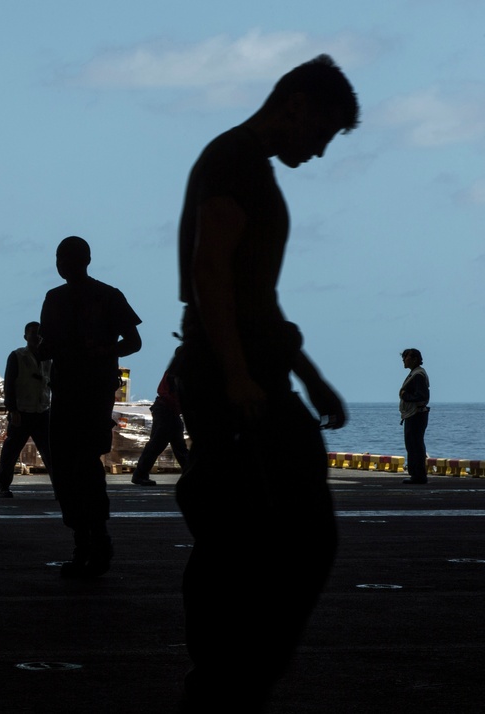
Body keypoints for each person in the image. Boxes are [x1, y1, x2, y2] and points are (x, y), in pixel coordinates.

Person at [172, 55, 359, 711]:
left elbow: (256, 297)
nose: (320, 149)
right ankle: (227, 680)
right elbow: (210, 273)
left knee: (268, 531)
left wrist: (311, 379)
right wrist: (235, 376)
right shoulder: (233, 164)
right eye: (324, 133)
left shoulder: (245, 167)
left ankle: (234, 677)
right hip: (236, 377)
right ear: (298, 105)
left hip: (254, 369)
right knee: (260, 534)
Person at [39, 236, 141, 578]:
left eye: (62, 258)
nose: (60, 264)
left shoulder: (61, 298)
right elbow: (133, 342)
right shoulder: (105, 296)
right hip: (84, 395)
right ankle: (91, 540)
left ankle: (90, 541)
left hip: (79, 396)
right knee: (79, 468)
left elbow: (133, 342)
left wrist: (96, 352)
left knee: (72, 468)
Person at [0, 321, 52, 498]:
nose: (36, 336)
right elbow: (9, 384)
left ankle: (61, 487)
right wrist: (12, 409)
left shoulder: (49, 358)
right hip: (22, 411)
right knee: (11, 452)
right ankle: (2, 485)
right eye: (32, 333)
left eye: (39, 332)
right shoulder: (17, 356)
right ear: (25, 337)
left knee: (50, 453)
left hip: (42, 411)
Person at [130, 366, 188, 486]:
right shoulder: (178, 373)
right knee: (157, 444)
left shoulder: (178, 371)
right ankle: (140, 474)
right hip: (166, 411)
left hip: (169, 411)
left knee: (179, 446)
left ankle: (190, 474)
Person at [399, 348, 430, 485]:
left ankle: (418, 475)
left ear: (414, 359)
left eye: (406, 357)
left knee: (414, 444)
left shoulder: (418, 375)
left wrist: (405, 396)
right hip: (414, 414)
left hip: (416, 414)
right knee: (413, 443)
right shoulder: (415, 373)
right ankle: (416, 474)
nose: (403, 360)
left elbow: (423, 396)